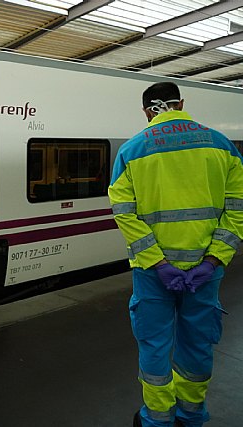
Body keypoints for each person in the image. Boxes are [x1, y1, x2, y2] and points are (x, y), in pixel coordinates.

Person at [108, 82, 243, 427]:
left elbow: (124, 212)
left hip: (154, 275)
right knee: (198, 345)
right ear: (182, 103)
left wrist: (158, 262)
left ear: (145, 111)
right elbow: (237, 209)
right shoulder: (222, 146)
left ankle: (157, 420)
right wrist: (213, 260)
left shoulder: (133, 150)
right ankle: (191, 415)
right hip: (205, 273)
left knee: (154, 345)